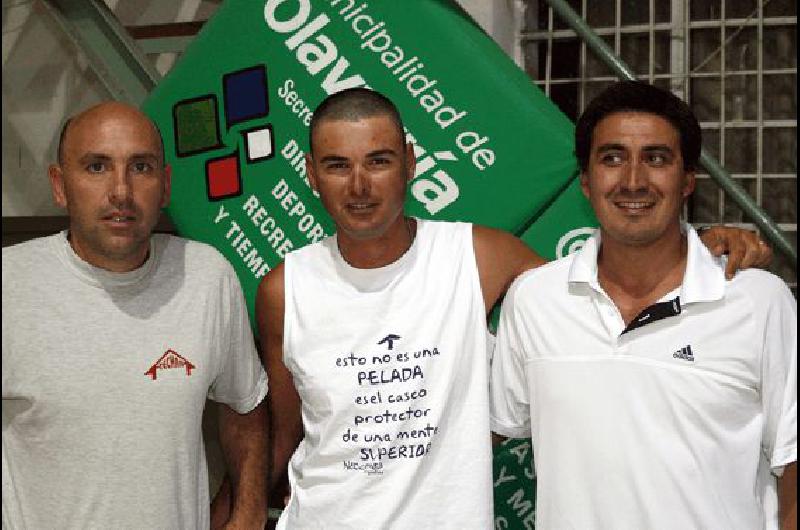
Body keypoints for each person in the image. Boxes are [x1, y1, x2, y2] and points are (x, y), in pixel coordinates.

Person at [252, 87, 773, 528]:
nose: (360, 186)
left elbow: (607, 285)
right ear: (311, 174)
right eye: (338, 166)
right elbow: (280, 435)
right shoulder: (284, 290)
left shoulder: (480, 257)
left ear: (410, 164)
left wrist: (700, 249)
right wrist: (235, 514)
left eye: (379, 161)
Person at [490, 81, 796, 529]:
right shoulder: (535, 300)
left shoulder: (757, 301)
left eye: (656, 158)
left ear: (688, 180)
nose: (633, 180)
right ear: (586, 181)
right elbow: (487, 436)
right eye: (612, 158)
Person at [2, 102, 269, 529]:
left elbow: (245, 407)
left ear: (164, 185)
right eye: (96, 167)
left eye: (140, 167)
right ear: (59, 184)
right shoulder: (10, 284)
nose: (121, 191)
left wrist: (249, 514)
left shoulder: (206, 276)